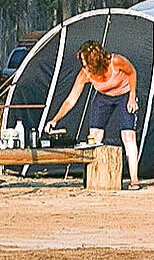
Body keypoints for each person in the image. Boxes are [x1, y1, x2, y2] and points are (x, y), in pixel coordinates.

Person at [45, 40, 142, 190]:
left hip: (124, 94)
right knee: (94, 135)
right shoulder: (85, 74)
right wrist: (55, 119)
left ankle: (134, 180)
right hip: (103, 97)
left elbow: (132, 72)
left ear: (94, 61)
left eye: (85, 63)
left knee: (128, 136)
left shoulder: (115, 62)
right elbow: (71, 100)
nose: (84, 67)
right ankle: (96, 177)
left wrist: (132, 96)